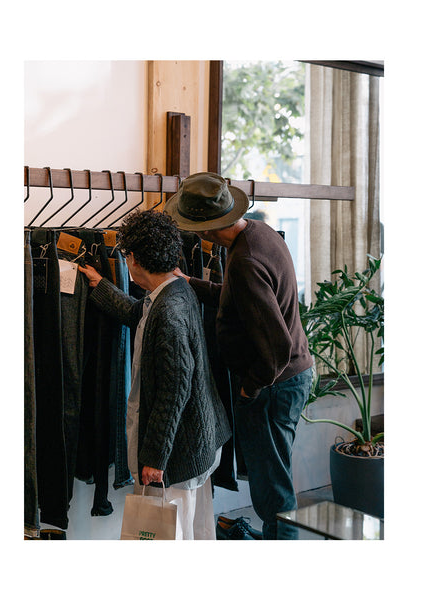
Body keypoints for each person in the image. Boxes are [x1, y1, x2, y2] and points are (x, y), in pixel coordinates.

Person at [165, 171, 315, 539]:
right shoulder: (259, 234)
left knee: (272, 491)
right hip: (287, 379)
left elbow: (276, 347)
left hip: (272, 387)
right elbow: (240, 301)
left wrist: (250, 389)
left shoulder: (245, 259)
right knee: (273, 479)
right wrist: (193, 284)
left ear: (206, 229)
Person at [78, 209, 230, 540]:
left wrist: (155, 459)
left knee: (171, 538)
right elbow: (139, 315)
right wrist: (101, 285)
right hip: (198, 439)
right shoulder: (172, 290)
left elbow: (174, 390)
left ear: (133, 258)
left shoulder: (170, 310)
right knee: (195, 529)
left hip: (179, 452)